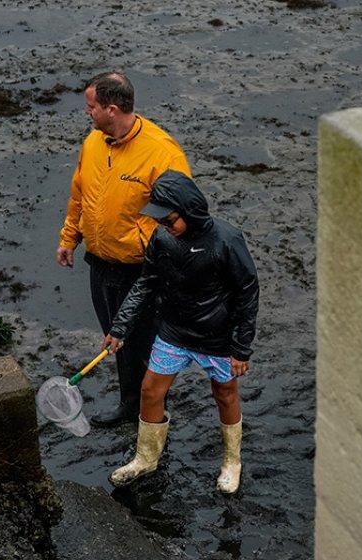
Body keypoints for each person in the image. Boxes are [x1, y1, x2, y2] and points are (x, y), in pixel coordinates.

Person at [102, 170, 259, 494]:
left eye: (170, 219)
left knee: (225, 394)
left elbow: (247, 290)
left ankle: (232, 462)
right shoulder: (161, 239)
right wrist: (120, 327)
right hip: (174, 330)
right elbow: (146, 282)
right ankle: (146, 457)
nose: (164, 226)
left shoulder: (226, 240)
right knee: (150, 390)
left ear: (190, 211)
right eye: (160, 220)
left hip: (217, 336)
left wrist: (241, 347)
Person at [56, 71, 191, 428]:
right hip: (100, 264)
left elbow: (183, 216)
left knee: (143, 342)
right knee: (115, 339)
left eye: (91, 106)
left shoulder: (162, 153)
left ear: (111, 109)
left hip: (141, 270)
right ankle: (130, 404)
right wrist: (70, 237)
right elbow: (79, 194)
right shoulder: (94, 143)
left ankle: (153, 414)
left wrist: (157, 257)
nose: (87, 112)